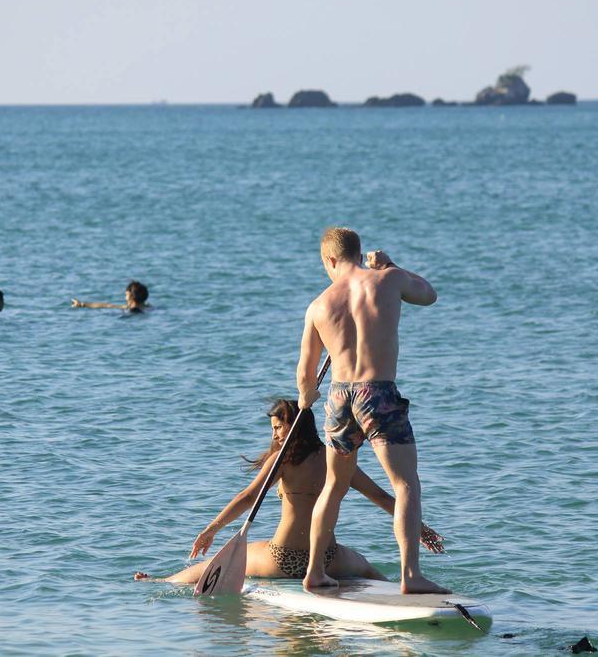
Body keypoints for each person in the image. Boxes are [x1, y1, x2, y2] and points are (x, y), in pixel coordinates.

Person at [135, 399, 443, 584]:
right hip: (327, 559)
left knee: (208, 565)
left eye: (278, 427)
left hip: (282, 559)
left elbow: (247, 498)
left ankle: (164, 581)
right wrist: (419, 527)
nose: (274, 434)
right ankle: (404, 595)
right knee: (372, 572)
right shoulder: (339, 458)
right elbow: (382, 497)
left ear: (294, 426)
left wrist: (211, 528)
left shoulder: (283, 461)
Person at [297, 227, 449, 594]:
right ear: (358, 252)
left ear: (330, 260)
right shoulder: (389, 279)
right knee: (406, 484)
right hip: (377, 392)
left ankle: (315, 571)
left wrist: (305, 398)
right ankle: (410, 576)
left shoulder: (319, 305)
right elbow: (428, 295)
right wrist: (393, 264)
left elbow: (305, 374)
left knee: (334, 486)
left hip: (338, 395)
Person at [71, 281, 148, 314]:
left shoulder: (129, 309)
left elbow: (107, 305)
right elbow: (106, 305)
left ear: (131, 296)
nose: (125, 297)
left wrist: (82, 304)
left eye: (126, 295)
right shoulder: (148, 307)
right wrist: (82, 304)